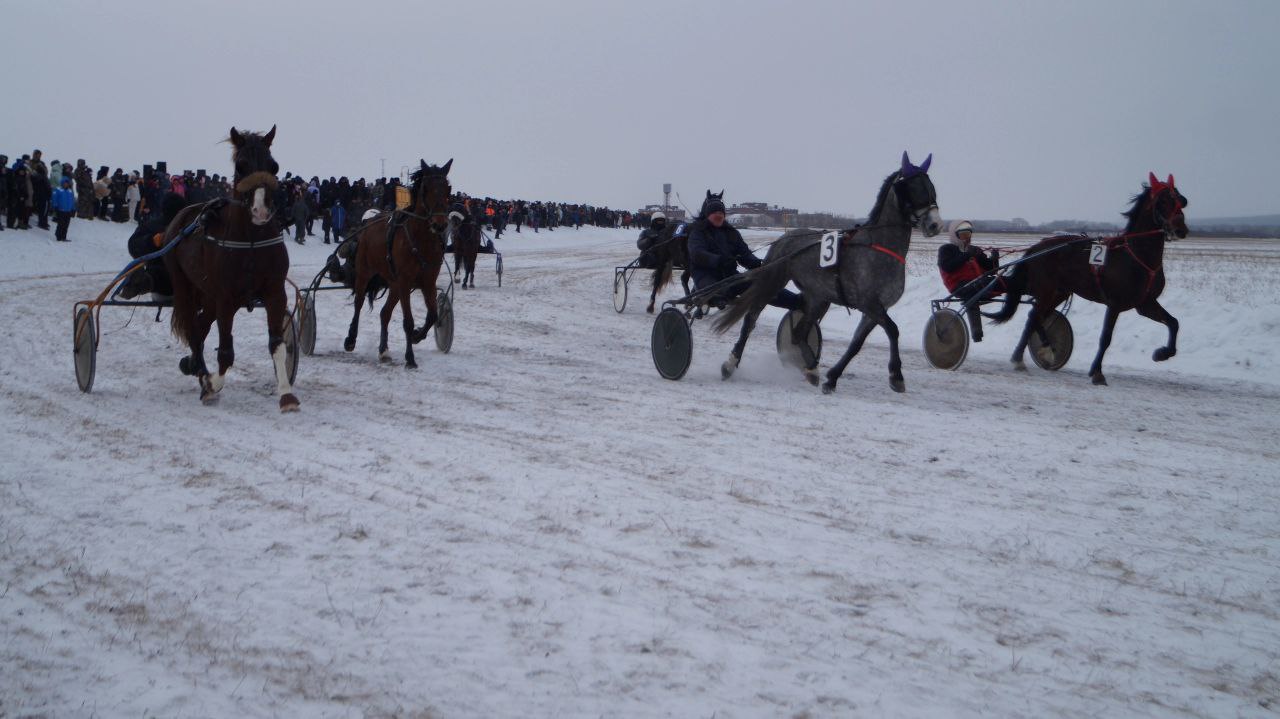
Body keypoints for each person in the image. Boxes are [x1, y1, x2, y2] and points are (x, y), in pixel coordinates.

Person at [687, 193, 801, 310]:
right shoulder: (698, 232)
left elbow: (744, 253)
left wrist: (757, 264)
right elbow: (697, 254)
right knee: (719, 294)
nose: (718, 216)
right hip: (705, 275)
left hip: (730, 276)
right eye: (715, 213)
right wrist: (719, 261)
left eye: (721, 213)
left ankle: (796, 301)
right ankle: (713, 297)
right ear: (707, 215)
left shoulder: (731, 233)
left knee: (761, 285)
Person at [937, 219, 999, 341]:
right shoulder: (946, 249)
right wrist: (966, 255)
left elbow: (991, 269)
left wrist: (994, 259)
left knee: (1004, 281)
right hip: (958, 286)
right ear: (955, 235)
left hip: (978, 283)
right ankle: (976, 332)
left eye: (968, 234)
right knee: (974, 289)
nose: (966, 238)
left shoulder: (975, 250)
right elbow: (947, 267)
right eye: (963, 234)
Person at [118, 192, 188, 299]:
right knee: (161, 274)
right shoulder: (153, 226)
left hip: (189, 276)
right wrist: (151, 241)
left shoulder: (190, 227)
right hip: (164, 280)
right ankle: (141, 282)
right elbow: (133, 245)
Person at [51, 177, 76, 241]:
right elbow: (54, 199)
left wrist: (73, 209)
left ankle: (64, 237)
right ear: (62, 183)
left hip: (68, 211)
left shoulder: (70, 191)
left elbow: (72, 200)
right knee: (60, 224)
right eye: (65, 183)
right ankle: (58, 236)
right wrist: (55, 206)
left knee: (66, 225)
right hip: (61, 210)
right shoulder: (58, 190)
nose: (66, 184)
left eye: (67, 183)